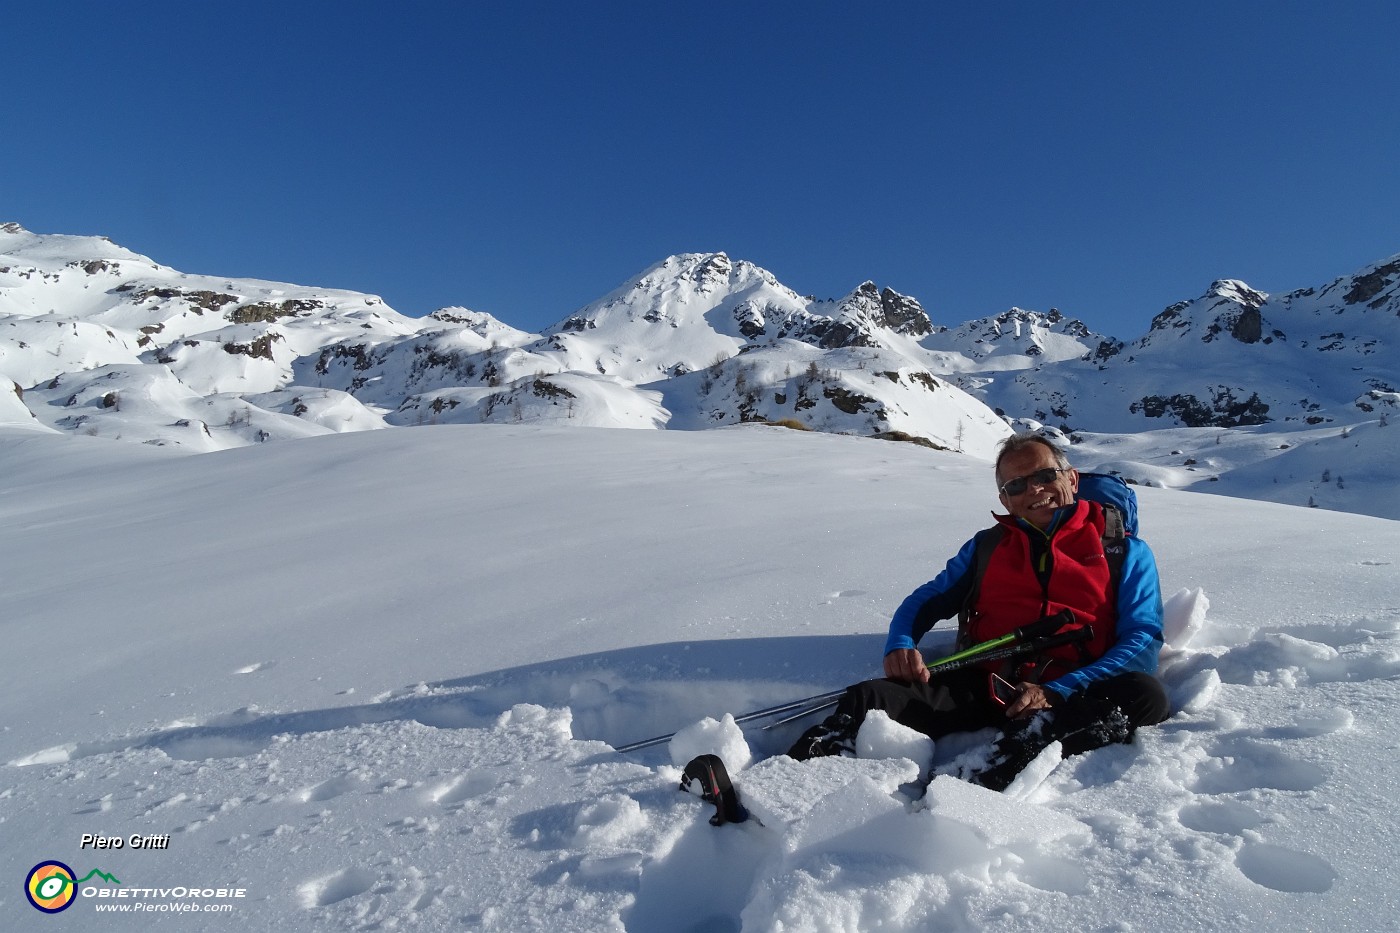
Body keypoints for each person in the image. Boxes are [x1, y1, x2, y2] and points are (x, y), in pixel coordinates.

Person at [788, 433, 1171, 790]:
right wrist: (900, 643)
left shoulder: (1125, 552)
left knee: (1143, 694)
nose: (1034, 490)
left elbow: (1141, 641)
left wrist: (1056, 691)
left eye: (1043, 475)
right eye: (1016, 485)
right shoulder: (989, 547)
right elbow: (927, 599)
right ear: (1005, 500)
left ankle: (998, 764)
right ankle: (794, 780)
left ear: (1071, 479)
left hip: (1070, 692)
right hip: (984, 681)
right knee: (871, 699)